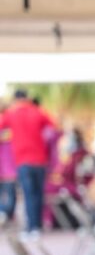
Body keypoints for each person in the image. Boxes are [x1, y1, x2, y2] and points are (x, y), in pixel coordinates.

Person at [0, 89, 55, 238]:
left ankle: (32, 228)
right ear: (27, 97)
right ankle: (38, 225)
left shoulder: (11, 113)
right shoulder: (38, 111)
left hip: (23, 160)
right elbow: (53, 128)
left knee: (29, 194)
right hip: (40, 160)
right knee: (38, 194)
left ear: (16, 99)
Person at [0, 101, 15, 225]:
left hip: (9, 166)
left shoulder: (10, 122)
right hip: (8, 167)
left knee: (9, 194)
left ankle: (5, 215)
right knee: (10, 194)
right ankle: (4, 214)